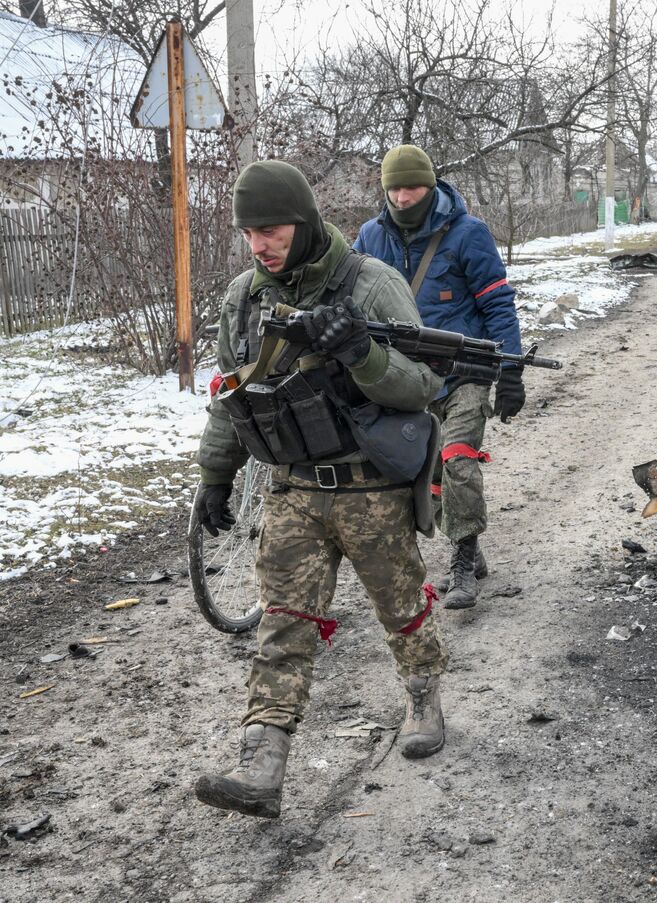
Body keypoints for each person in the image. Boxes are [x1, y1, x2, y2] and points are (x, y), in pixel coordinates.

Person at [192, 160, 448, 819]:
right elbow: (230, 393)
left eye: (270, 229)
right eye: (248, 233)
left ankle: (422, 695)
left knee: (401, 606)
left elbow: (424, 387)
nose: (259, 245)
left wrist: (363, 354)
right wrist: (214, 475)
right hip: (294, 489)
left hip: (370, 488)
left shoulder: (370, 285)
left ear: (303, 223)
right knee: (283, 620)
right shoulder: (244, 297)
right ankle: (261, 763)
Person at [353, 145, 524, 609]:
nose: (403, 196)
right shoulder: (370, 236)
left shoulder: (469, 234)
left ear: (431, 185)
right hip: (406, 377)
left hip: (466, 370)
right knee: (425, 472)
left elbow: (497, 304)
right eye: (394, 187)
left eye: (411, 186)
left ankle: (462, 560)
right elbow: (346, 295)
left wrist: (510, 369)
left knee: (457, 459)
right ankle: (468, 539)